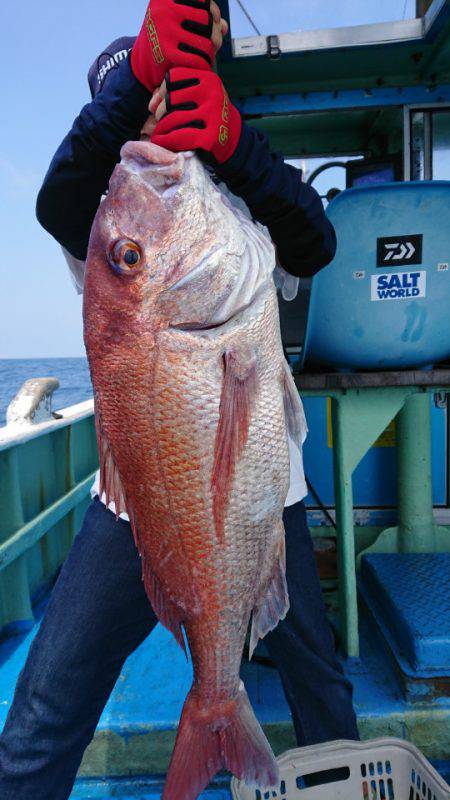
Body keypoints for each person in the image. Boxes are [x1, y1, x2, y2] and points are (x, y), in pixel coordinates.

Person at [0, 2, 358, 798]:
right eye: (139, 94)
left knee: (320, 680)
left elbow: (315, 240)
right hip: (136, 503)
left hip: (263, 498)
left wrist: (235, 142)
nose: (160, 108)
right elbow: (59, 193)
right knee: (46, 705)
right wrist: (136, 78)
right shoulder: (108, 208)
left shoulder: (232, 202)